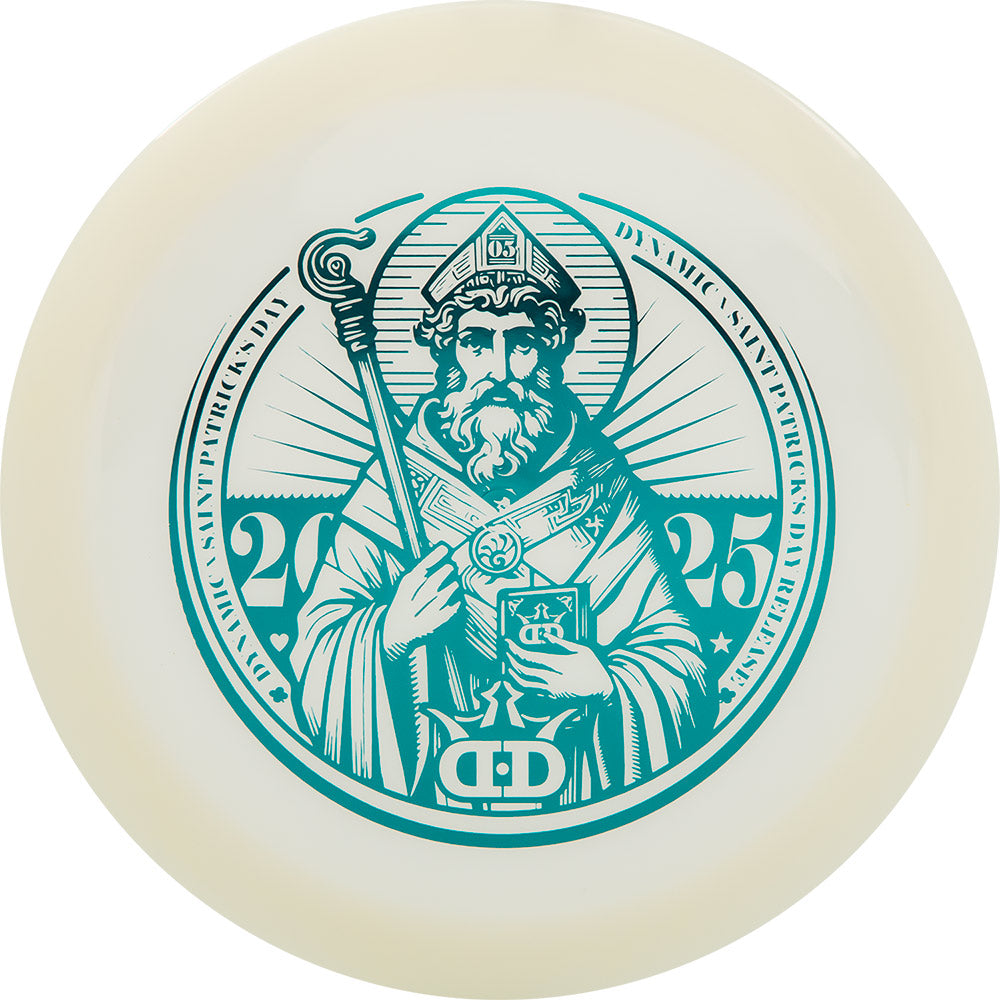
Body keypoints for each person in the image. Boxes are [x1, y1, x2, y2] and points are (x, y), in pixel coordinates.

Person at [289, 209, 718, 808]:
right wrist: (389, 634)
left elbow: (679, 659)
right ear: (446, 354)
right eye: (475, 343)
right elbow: (319, 644)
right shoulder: (394, 486)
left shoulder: (606, 491)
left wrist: (605, 684)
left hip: (579, 784)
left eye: (521, 344)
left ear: (553, 354)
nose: (498, 370)